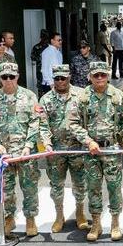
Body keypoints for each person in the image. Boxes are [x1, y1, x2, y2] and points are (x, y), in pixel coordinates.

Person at [67, 62, 123, 242]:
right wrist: (88, 141)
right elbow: (72, 123)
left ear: (108, 76)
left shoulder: (118, 97)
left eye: (103, 75)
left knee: (114, 187)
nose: (100, 78)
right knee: (93, 187)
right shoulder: (82, 97)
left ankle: (115, 222)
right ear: (90, 77)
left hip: (111, 149)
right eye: (96, 75)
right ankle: (96, 223)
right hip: (91, 152)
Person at [0, 62, 41, 237]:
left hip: (25, 153)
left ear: (17, 76)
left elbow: (35, 122)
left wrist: (29, 145)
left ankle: (30, 219)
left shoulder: (30, 96)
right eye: (4, 77)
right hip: (3, 154)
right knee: (4, 189)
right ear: (0, 78)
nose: (8, 81)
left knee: (29, 188)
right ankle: (8, 218)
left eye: (11, 77)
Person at [39, 64, 89, 233]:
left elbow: (87, 120)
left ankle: (80, 213)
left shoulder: (82, 95)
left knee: (80, 184)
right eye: (57, 79)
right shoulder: (45, 99)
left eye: (63, 78)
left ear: (69, 78)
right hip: (56, 151)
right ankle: (59, 216)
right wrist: (46, 143)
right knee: (56, 185)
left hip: (77, 148)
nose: (60, 81)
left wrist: (87, 141)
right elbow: (43, 125)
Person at [30, 29, 50, 96]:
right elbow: (32, 57)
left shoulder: (50, 47)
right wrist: (40, 58)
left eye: (46, 38)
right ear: (41, 37)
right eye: (43, 37)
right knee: (41, 91)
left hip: (49, 71)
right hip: (40, 72)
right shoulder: (36, 47)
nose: (45, 40)